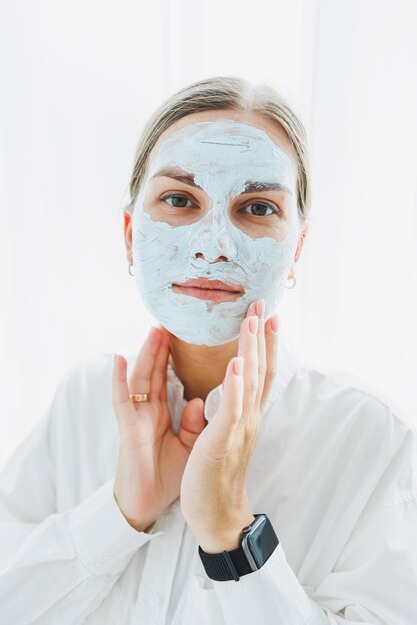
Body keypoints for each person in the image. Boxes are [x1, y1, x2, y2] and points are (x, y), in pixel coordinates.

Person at [0, 76, 416, 625]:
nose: (214, 245)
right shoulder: (81, 400)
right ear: (130, 234)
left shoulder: (374, 439)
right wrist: (121, 512)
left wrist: (232, 536)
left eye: (258, 208)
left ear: (298, 250)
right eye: (178, 199)